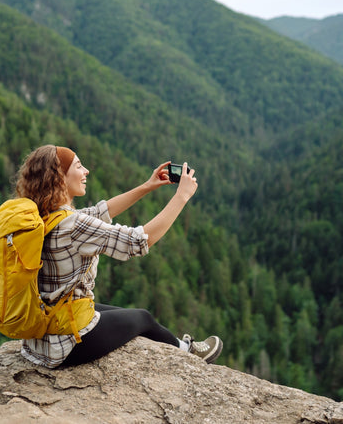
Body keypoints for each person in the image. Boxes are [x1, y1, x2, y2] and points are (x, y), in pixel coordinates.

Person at [14, 144, 223, 368]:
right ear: (59, 178)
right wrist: (181, 196)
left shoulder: (43, 216)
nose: (86, 171)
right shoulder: (73, 225)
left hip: (40, 338)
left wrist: (147, 186)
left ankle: (182, 346)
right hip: (65, 346)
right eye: (78, 166)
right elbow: (138, 241)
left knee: (111, 311)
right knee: (143, 318)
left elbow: (99, 212)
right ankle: (189, 353)